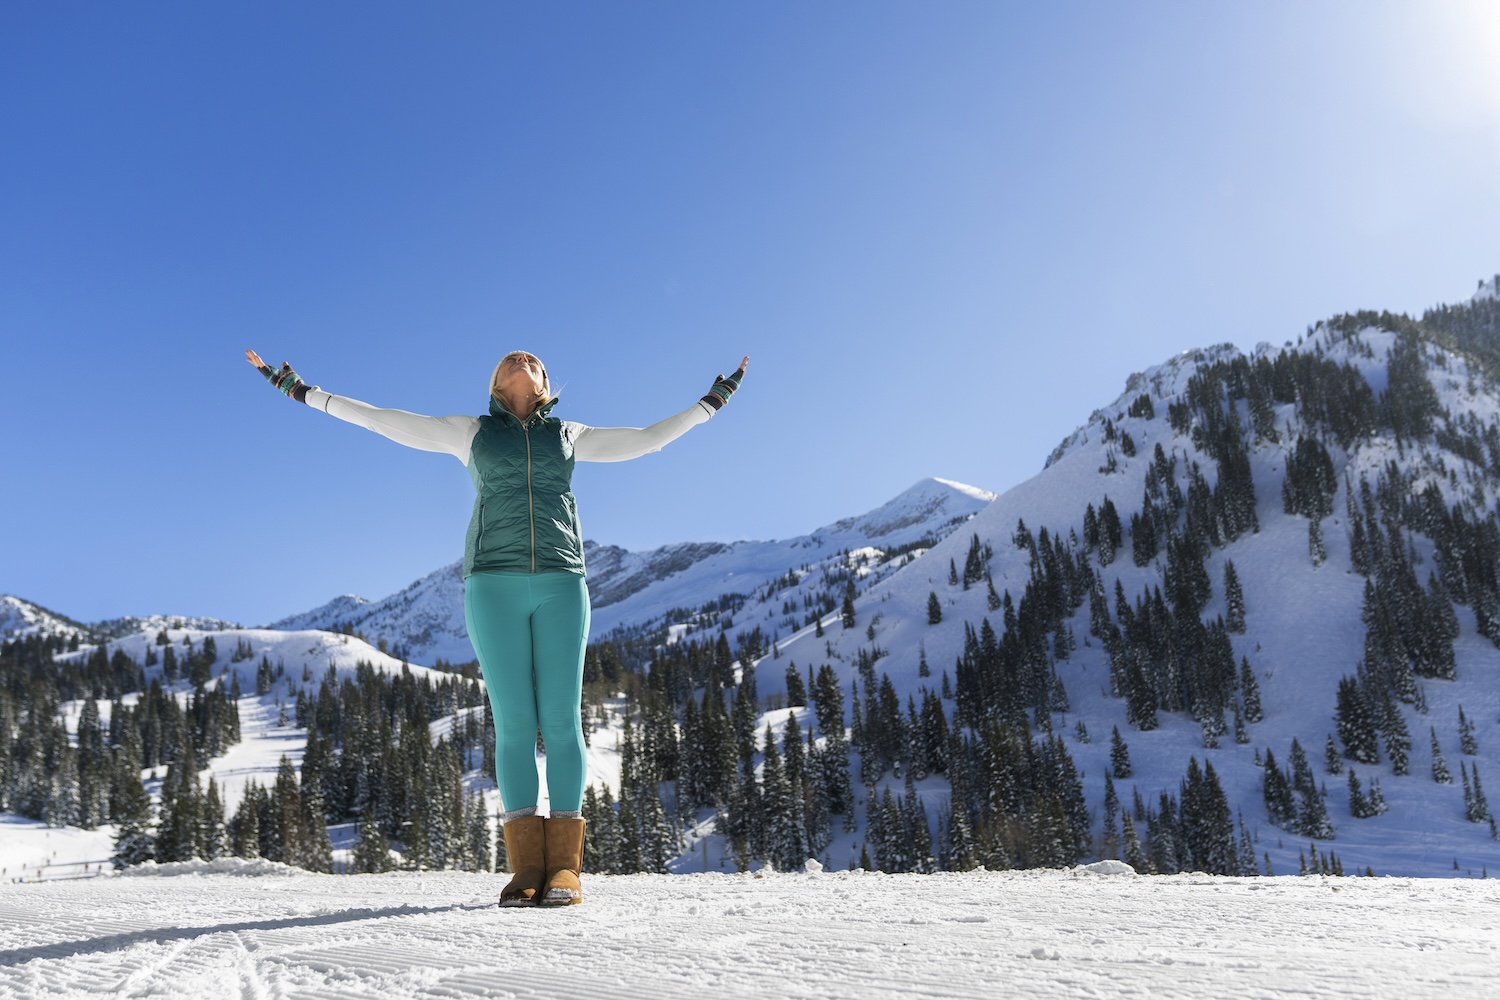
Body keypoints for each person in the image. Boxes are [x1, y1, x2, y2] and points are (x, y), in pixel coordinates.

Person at [245, 347, 747, 905]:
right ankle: (526, 868)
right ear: (494, 383)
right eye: (511, 358)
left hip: (562, 582)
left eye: (532, 359)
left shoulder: (569, 435)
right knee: (514, 722)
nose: (521, 357)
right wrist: (304, 392)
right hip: (491, 584)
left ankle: (566, 869)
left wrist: (710, 404)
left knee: (561, 719)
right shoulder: (470, 433)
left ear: (545, 382)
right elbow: (380, 419)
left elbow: (649, 438)